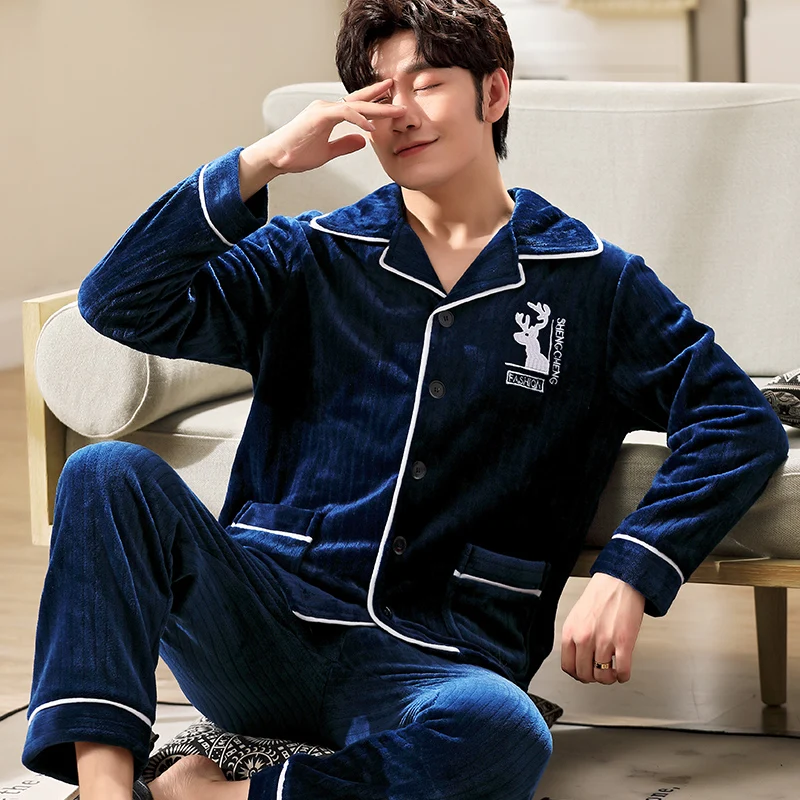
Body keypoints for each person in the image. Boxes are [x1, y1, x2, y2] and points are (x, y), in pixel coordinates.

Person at [22, 1, 789, 799]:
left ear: (495, 93)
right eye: (379, 94)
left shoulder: (594, 282)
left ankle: (210, 795)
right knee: (105, 472)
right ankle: (106, 790)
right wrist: (266, 161)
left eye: (426, 84)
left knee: (505, 735)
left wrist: (630, 571)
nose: (402, 114)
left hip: (435, 661)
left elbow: (737, 422)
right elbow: (118, 302)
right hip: (259, 627)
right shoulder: (309, 253)